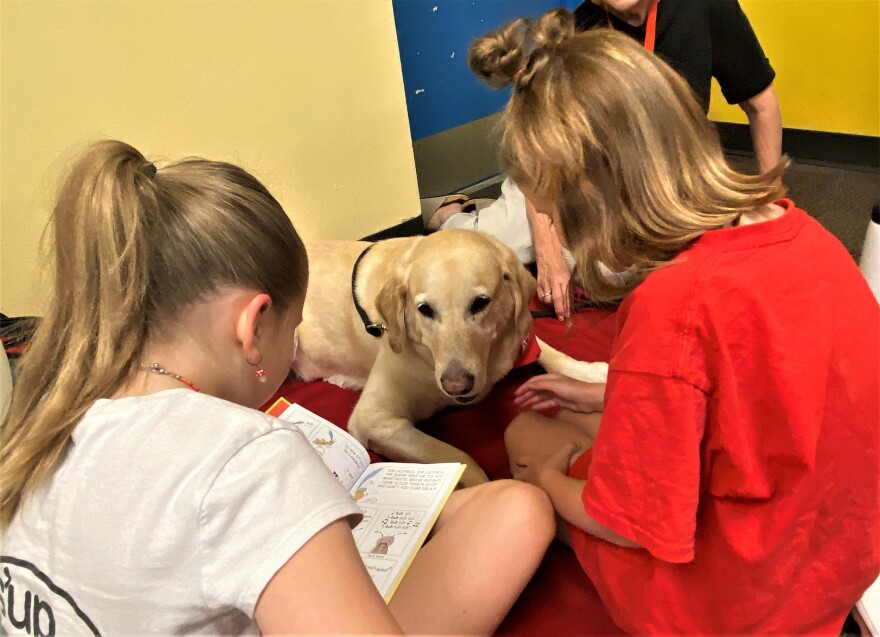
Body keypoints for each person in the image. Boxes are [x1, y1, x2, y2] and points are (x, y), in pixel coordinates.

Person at [0, 140, 555, 635]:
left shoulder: (52, 410)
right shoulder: (251, 460)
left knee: (514, 507)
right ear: (254, 327)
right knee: (519, 514)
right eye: (295, 331)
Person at [470, 10, 879, 635]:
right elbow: (764, 389)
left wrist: (552, 485)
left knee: (529, 437)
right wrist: (609, 391)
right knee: (574, 417)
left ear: (593, 199)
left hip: (740, 605)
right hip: (839, 561)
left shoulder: (675, 306)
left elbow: (629, 524)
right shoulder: (807, 233)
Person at [426, 0, 782, 323]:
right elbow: (539, 157)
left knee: (659, 275)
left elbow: (761, 104)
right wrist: (547, 249)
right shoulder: (578, 26)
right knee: (489, 247)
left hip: (657, 186)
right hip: (571, 181)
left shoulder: (705, 7)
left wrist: (769, 201)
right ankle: (451, 215)